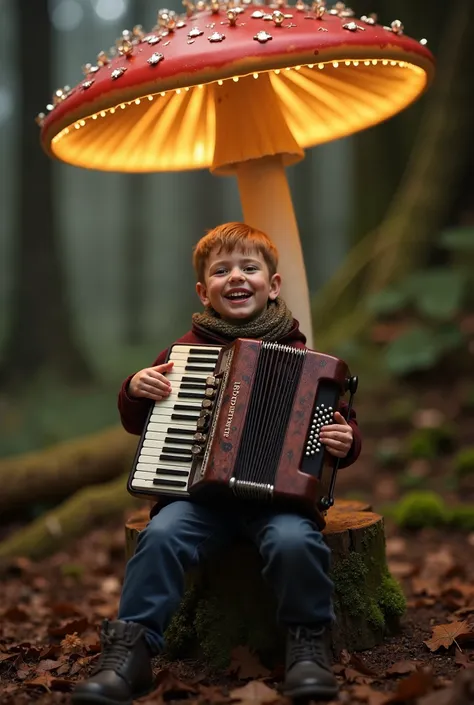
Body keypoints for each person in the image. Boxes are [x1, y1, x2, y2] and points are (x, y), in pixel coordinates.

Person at [72, 222, 362, 705]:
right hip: (198, 500)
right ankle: (131, 652)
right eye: (222, 270)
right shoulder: (183, 355)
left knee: (295, 541)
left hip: (278, 502)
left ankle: (307, 646)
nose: (236, 277)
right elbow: (137, 419)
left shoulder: (305, 359)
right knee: (161, 537)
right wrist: (134, 389)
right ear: (205, 292)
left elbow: (341, 427)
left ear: (272, 286)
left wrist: (343, 440)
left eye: (249, 267)